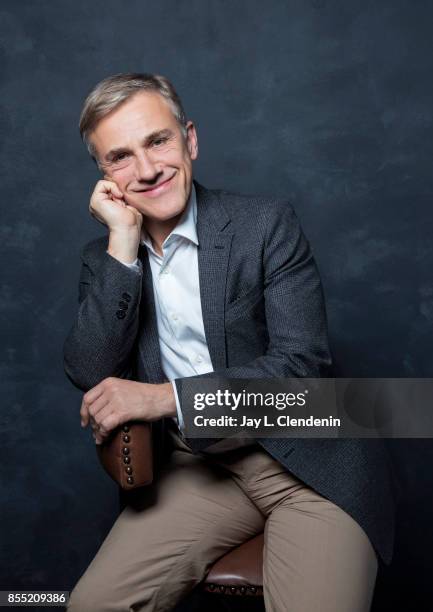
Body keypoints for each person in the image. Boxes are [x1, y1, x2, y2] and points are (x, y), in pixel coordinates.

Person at [63, 73, 396, 612]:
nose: (147, 170)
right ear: (103, 175)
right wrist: (122, 248)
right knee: (91, 605)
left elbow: (300, 374)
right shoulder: (103, 260)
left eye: (158, 141)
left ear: (189, 139)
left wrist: (162, 398)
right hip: (204, 471)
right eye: (120, 157)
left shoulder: (265, 225)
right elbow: (89, 369)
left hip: (308, 464)